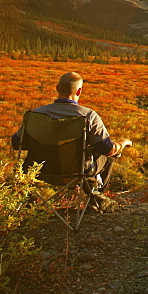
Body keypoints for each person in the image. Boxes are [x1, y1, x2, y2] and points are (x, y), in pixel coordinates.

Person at [12, 71, 132, 212]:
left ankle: (28, 205)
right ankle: (94, 199)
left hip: (39, 172)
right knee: (108, 156)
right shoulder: (88, 116)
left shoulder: (34, 115)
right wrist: (123, 143)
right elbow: (108, 149)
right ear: (79, 91)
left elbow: (16, 143)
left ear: (57, 88)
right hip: (76, 172)